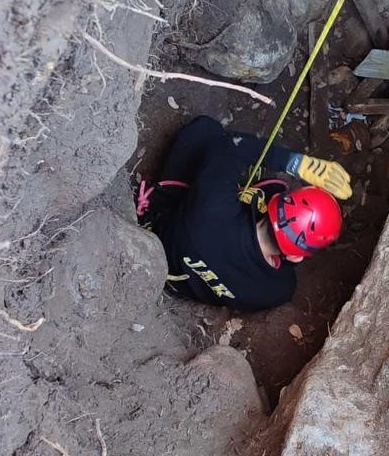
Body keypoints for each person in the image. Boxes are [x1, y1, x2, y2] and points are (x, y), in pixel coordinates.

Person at [136, 116, 351, 313]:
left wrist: (295, 163)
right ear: (296, 255)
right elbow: (285, 267)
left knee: (205, 131)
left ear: (271, 209)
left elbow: (230, 145)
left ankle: (150, 205)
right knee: (271, 186)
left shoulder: (213, 206)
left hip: (160, 236)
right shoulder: (278, 291)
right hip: (179, 285)